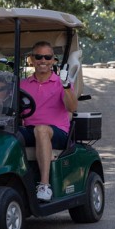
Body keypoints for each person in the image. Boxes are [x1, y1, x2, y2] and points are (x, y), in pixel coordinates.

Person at [20, 41, 78, 202]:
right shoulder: (22, 84)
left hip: (57, 132)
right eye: (39, 56)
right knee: (5, 134)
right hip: (30, 129)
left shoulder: (61, 83)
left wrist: (66, 86)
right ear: (32, 59)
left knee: (41, 130)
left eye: (47, 57)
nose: (43, 60)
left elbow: (72, 107)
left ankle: (44, 185)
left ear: (53, 60)